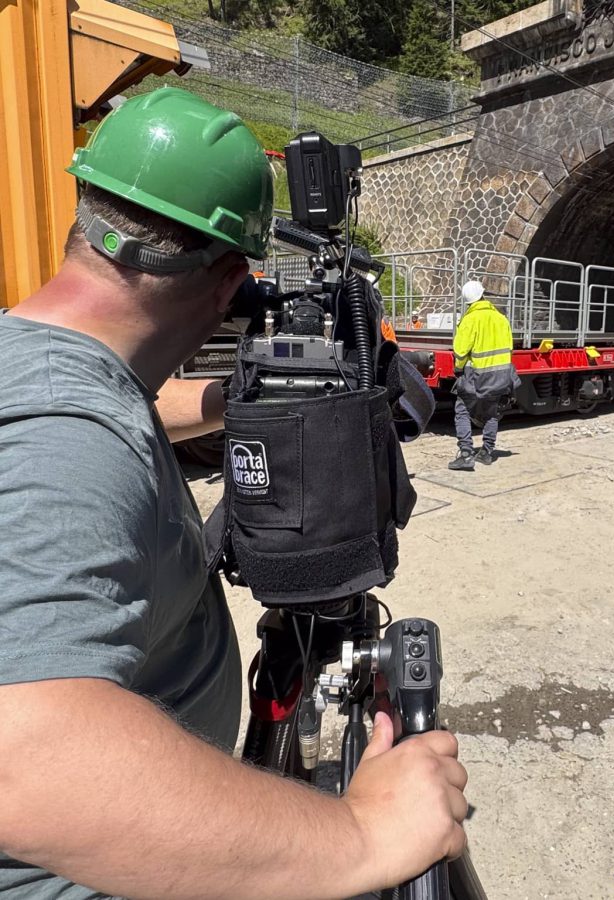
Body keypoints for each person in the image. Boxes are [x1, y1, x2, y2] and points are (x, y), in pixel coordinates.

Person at [0, 87, 468, 899]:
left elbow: (118, 400)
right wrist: (361, 834)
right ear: (228, 282)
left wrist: (236, 403)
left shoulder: (36, 356)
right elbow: (25, 760)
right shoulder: (66, 440)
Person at [448, 280, 520, 470]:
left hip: (477, 375)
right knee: (491, 412)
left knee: (462, 410)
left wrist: (458, 368)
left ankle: (465, 454)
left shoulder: (470, 319)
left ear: (467, 301)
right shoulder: (501, 318)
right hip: (502, 375)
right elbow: (510, 349)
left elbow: (461, 352)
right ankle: (487, 452)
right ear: (483, 294)